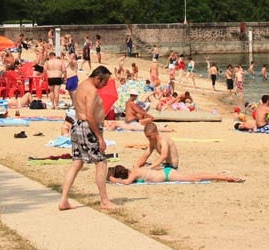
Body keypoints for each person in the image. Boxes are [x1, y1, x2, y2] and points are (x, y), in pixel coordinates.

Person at [58, 66, 118, 211]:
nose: (104, 85)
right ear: (98, 78)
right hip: (88, 128)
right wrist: (100, 137)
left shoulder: (81, 86)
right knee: (101, 162)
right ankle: (104, 201)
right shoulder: (91, 90)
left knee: (77, 162)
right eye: (104, 82)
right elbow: (90, 116)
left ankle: (64, 200)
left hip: (78, 126)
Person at [108, 164, 243, 184]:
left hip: (168, 175)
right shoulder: (135, 169)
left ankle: (225, 177)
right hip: (166, 172)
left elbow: (126, 182)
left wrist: (114, 180)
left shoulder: (132, 175)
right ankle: (219, 174)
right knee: (196, 175)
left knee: (196, 177)